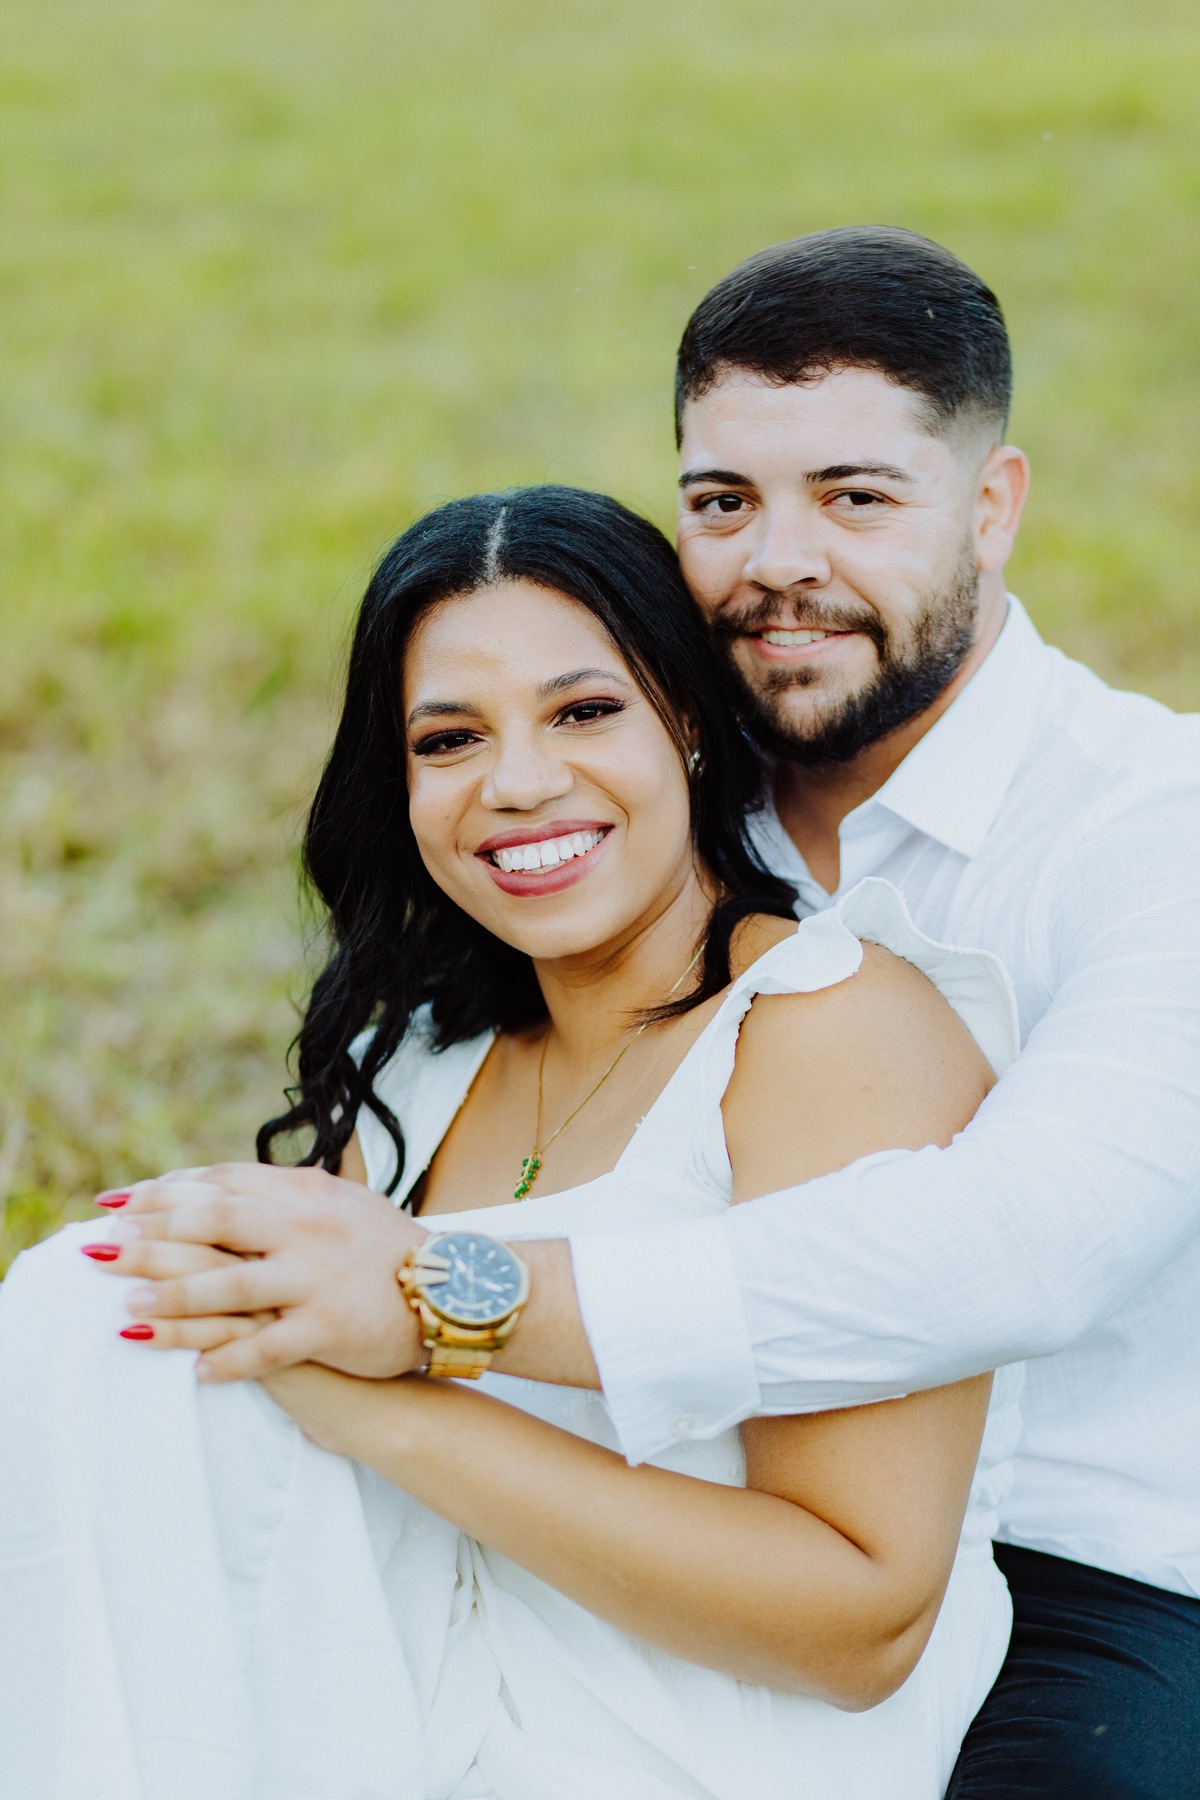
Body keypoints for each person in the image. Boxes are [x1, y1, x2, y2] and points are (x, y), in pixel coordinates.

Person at [59, 231, 1200, 1794]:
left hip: (1093, 1565)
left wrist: (433, 1307)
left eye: (858, 499)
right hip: (611, 1514)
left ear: (993, 505)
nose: (778, 562)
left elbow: (1023, 1249)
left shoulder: (1151, 829)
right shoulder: (634, 797)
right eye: (723, 502)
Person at [0, 485, 1023, 1797]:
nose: (520, 784)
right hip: (409, 1716)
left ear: (689, 720)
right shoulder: (425, 1060)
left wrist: (385, 1401)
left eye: (583, 712)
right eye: (450, 739)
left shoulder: (829, 1029)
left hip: (697, 1762)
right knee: (90, 1316)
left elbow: (862, 1624)